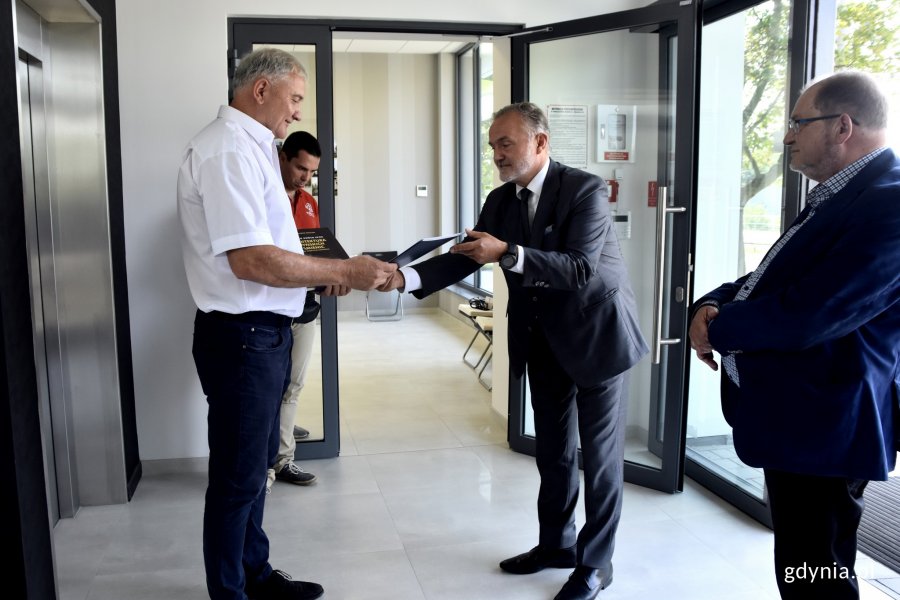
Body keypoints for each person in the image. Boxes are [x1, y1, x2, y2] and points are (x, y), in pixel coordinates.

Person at [379, 102, 648, 600]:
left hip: (597, 341)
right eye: (493, 145)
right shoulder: (501, 199)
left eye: (506, 143)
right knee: (553, 455)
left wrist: (508, 253)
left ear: (540, 143)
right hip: (542, 341)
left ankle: (596, 566)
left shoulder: (583, 189)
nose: (497, 154)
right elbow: (467, 257)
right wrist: (404, 277)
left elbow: (578, 268)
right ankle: (556, 545)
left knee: (602, 462)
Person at [177, 47, 396, 600]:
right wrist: (344, 267)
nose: (297, 111)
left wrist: (317, 274)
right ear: (260, 91)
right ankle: (232, 593)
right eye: (295, 98)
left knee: (253, 473)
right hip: (243, 337)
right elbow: (250, 260)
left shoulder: (252, 148)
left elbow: (275, 249)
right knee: (237, 480)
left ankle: (256, 576)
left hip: (261, 333)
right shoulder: (228, 151)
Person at [688, 70, 900, 600]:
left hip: (827, 424)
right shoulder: (842, 195)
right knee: (803, 566)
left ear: (842, 126)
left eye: (798, 123)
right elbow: (770, 279)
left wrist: (718, 330)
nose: (787, 136)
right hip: (802, 420)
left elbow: (813, 311)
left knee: (818, 574)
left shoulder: (889, 202)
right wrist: (710, 304)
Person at [267, 130, 323, 490]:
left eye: (312, 172)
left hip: (304, 307)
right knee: (267, 389)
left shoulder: (308, 202)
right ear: (284, 157)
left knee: (293, 386)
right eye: (301, 168)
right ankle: (265, 467)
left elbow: (316, 252)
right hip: (269, 310)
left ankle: (284, 460)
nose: (306, 177)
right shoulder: (263, 193)